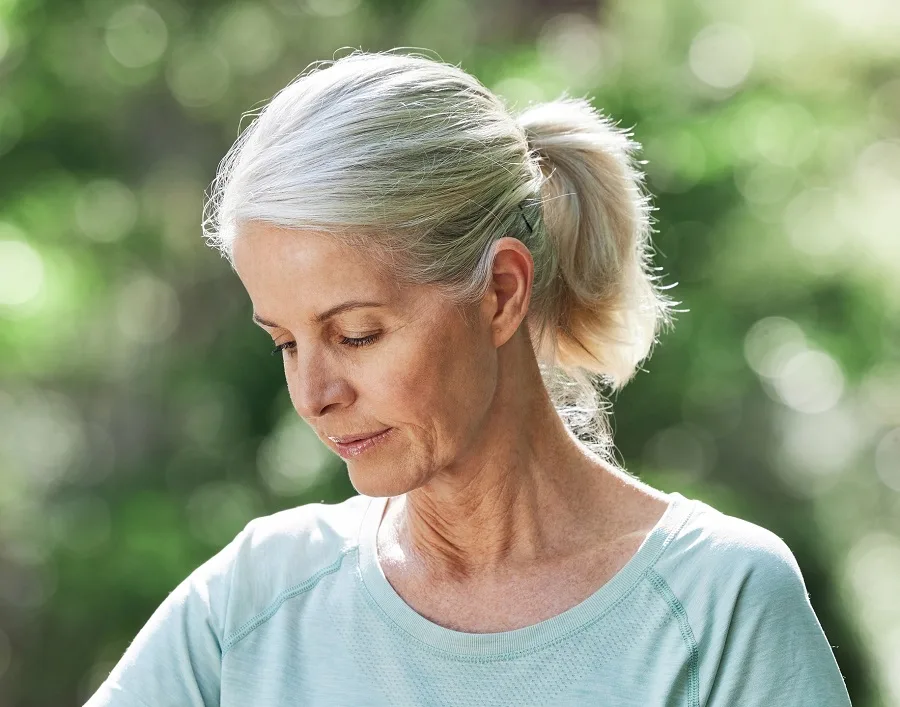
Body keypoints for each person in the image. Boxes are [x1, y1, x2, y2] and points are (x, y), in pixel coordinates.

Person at [85, 50, 853, 706]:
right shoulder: (251, 602)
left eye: (356, 333)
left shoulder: (720, 606)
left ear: (501, 293)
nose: (314, 394)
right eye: (285, 342)